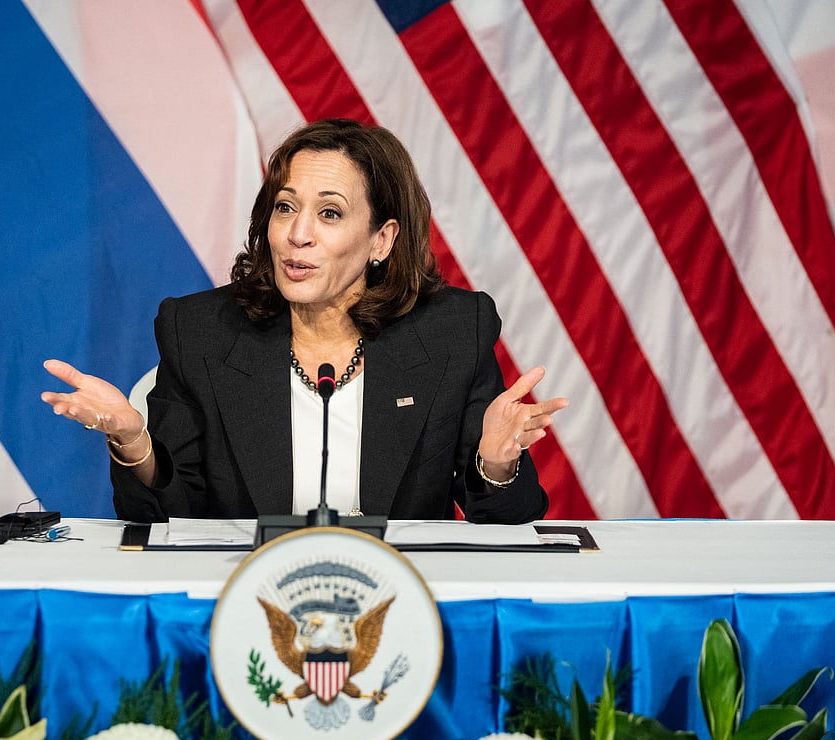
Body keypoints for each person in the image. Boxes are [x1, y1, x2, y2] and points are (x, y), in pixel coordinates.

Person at [41, 118, 568, 524]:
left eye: (330, 214)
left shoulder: (450, 331)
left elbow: (511, 523)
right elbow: (169, 521)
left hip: (403, 600)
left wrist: (495, 464)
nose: (298, 235)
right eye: (286, 207)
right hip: (244, 595)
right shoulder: (201, 331)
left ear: (382, 240)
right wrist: (134, 440)